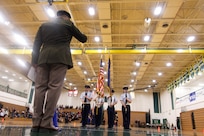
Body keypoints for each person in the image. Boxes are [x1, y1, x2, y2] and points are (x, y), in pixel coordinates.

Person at [31, 10, 87, 133]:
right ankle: (46, 122)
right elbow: (83, 39)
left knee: (39, 88)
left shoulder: (44, 25)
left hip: (43, 59)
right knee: (54, 88)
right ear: (67, 17)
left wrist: (34, 61)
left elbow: (36, 45)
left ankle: (36, 122)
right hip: (60, 59)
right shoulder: (68, 24)